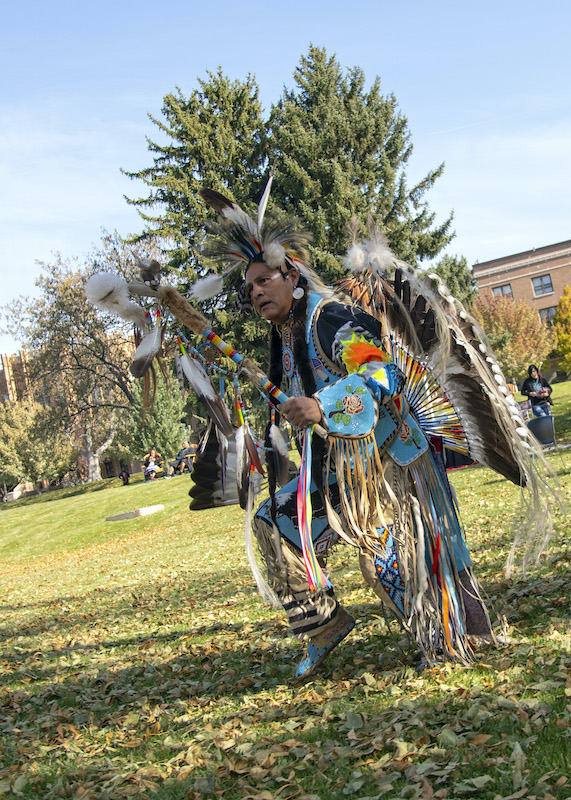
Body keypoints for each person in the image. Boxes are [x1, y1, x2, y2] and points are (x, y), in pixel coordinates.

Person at [201, 189, 507, 680]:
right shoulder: (283, 339)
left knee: (386, 561)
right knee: (275, 522)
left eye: (264, 280)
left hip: (390, 464)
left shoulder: (331, 318)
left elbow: (381, 374)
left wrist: (322, 404)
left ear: (293, 276)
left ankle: (450, 633)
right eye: (248, 288)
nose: (255, 292)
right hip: (339, 471)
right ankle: (322, 626)